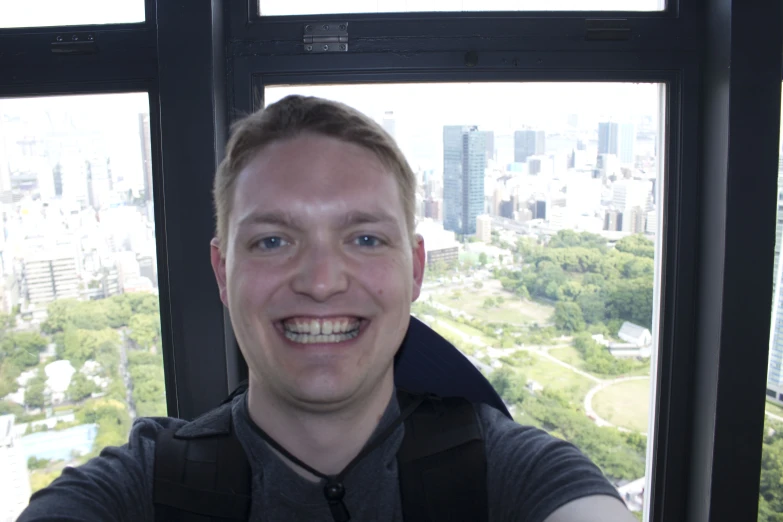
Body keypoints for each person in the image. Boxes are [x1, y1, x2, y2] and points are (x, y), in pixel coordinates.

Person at [18, 95, 637, 522]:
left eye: (365, 238)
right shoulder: (141, 490)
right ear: (222, 271)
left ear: (415, 269)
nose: (320, 281)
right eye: (272, 240)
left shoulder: (512, 474)